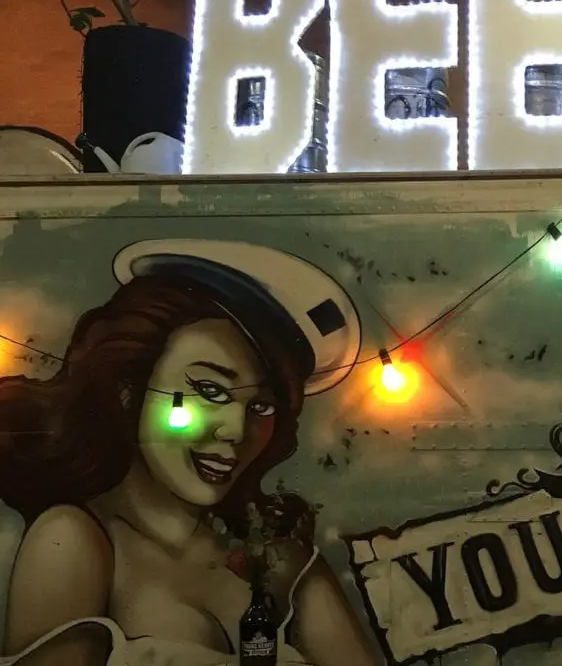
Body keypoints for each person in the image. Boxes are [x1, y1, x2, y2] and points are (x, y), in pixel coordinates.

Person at [0, 240, 377, 666]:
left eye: (261, 407)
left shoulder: (284, 564)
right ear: (129, 390)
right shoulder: (77, 540)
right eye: (209, 391)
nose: (237, 431)